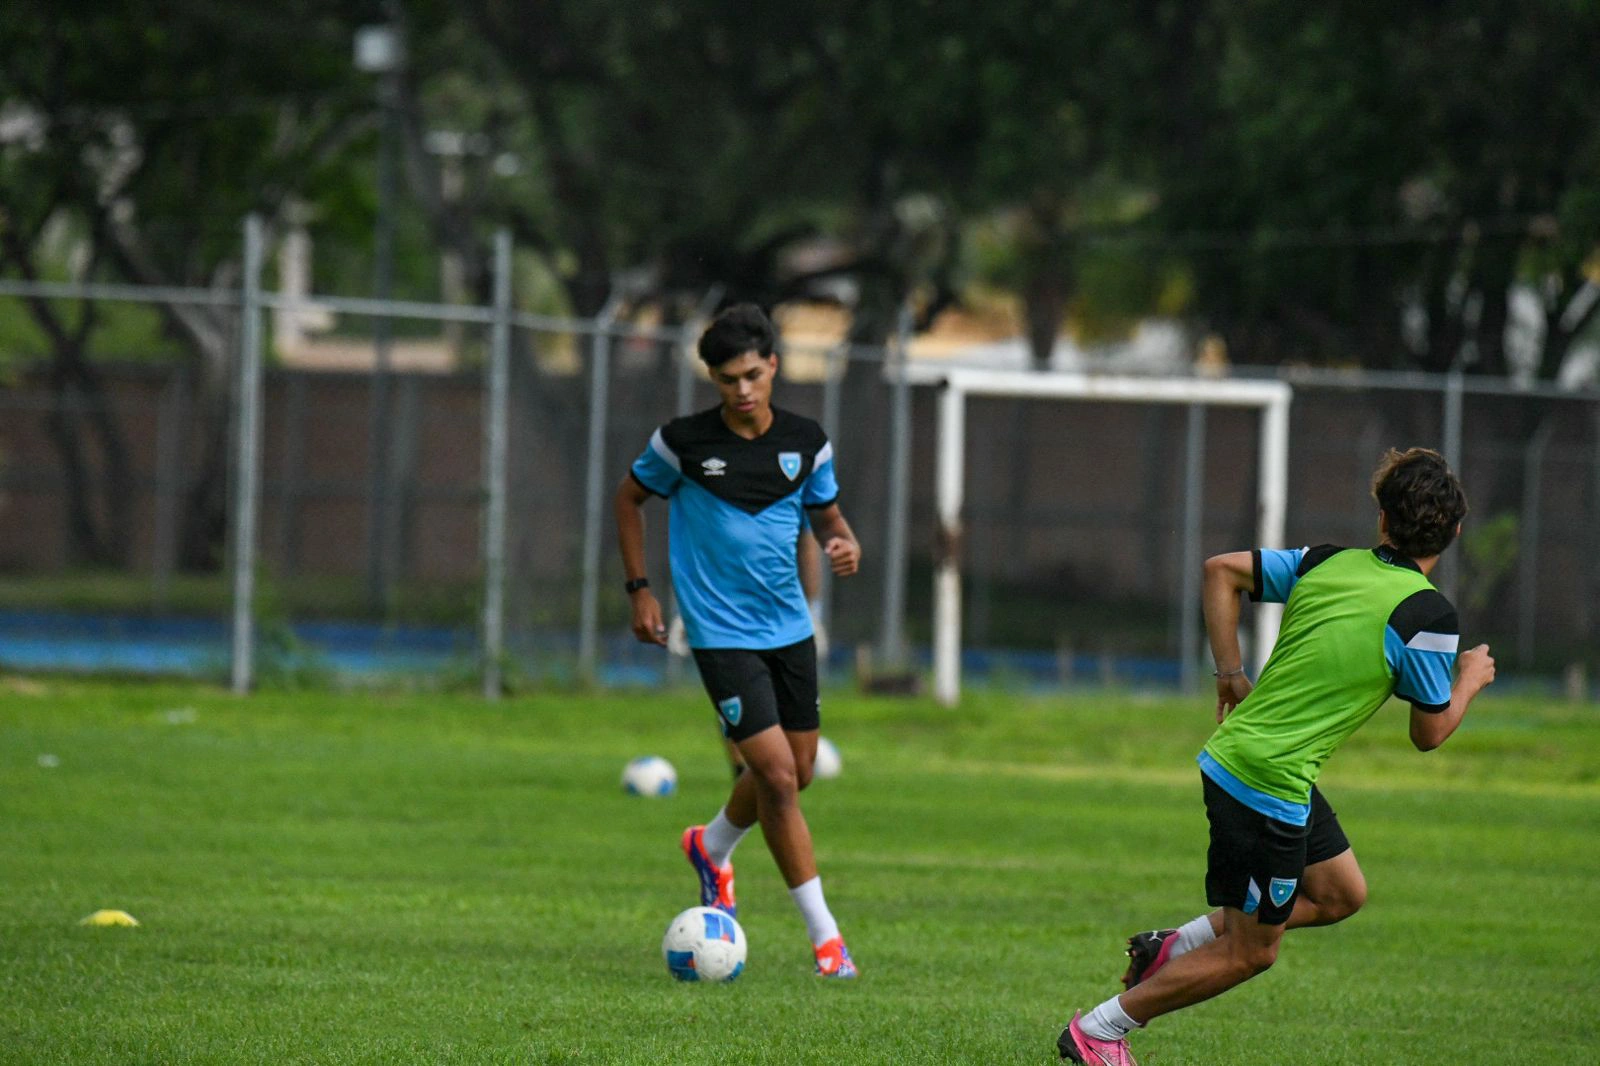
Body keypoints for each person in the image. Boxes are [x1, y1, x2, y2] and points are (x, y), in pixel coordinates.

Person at [1058, 447, 1496, 1065]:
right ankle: (1099, 1032)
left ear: (1381, 520)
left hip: (1253, 763)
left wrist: (1229, 675)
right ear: (1453, 532)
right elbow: (1429, 734)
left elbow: (1220, 571)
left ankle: (1172, 947)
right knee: (1252, 950)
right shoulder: (1428, 615)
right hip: (1269, 781)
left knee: (1341, 893)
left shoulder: (1329, 562)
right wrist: (1470, 679)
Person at [615, 302, 864, 978]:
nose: (743, 389)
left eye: (753, 374)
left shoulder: (807, 441)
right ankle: (828, 941)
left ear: (774, 365)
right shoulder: (682, 443)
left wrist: (842, 543)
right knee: (778, 777)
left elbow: (828, 515)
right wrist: (640, 588)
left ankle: (710, 843)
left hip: (790, 631)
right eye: (728, 379)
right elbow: (629, 500)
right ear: (713, 381)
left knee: (800, 770)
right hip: (720, 635)